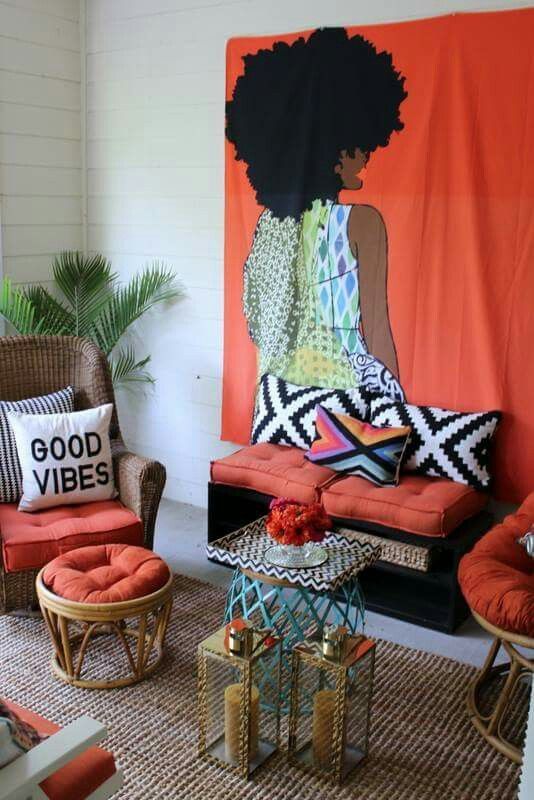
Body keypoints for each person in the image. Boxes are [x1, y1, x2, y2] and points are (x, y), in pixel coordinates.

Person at [226, 27, 407, 398]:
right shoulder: (360, 223)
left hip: (282, 395)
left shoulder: (268, 226)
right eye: (357, 149)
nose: (366, 158)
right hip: (347, 396)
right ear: (334, 150)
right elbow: (377, 331)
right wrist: (394, 414)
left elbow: (258, 321)